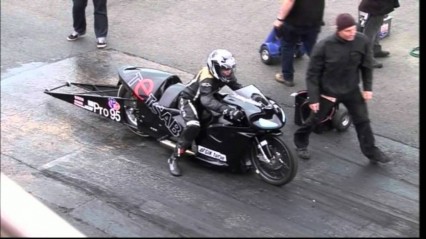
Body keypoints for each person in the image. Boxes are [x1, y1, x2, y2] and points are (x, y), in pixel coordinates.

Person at [293, 13, 391, 164]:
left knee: (363, 121)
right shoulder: (324, 46)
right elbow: (312, 74)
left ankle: (371, 151)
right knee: (315, 120)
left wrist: (367, 88)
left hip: (351, 90)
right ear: (338, 30)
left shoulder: (362, 41)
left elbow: (366, 66)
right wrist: (313, 98)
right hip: (328, 92)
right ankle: (300, 142)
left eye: (353, 29)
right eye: (347, 31)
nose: (352, 33)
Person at [167, 49, 245, 176]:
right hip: (189, 101)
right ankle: (174, 157)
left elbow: (237, 87)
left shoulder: (225, 75)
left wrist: (256, 97)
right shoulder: (207, 78)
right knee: (193, 126)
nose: (228, 72)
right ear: (215, 67)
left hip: (206, 99)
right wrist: (227, 110)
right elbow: (206, 101)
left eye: (230, 68)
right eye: (225, 69)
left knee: (223, 119)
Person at [273, 0, 325, 87]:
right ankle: (325, 74)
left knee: (287, 46)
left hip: (295, 21)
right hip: (314, 19)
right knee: (312, 48)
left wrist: (279, 19)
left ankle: (287, 77)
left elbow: (290, 1)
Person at [358, 0, 400, 68]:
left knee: (376, 25)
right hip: (377, 5)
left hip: (377, 5)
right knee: (371, 30)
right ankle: (367, 58)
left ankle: (375, 49)